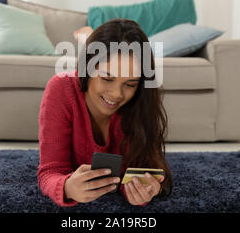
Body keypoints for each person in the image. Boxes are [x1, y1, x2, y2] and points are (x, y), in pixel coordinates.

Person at [37, 18, 172, 207]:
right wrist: (67, 187)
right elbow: (50, 172)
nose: (117, 94)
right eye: (107, 79)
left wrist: (143, 189)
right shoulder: (61, 89)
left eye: (130, 84)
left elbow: (145, 169)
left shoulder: (140, 101)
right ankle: (84, 36)